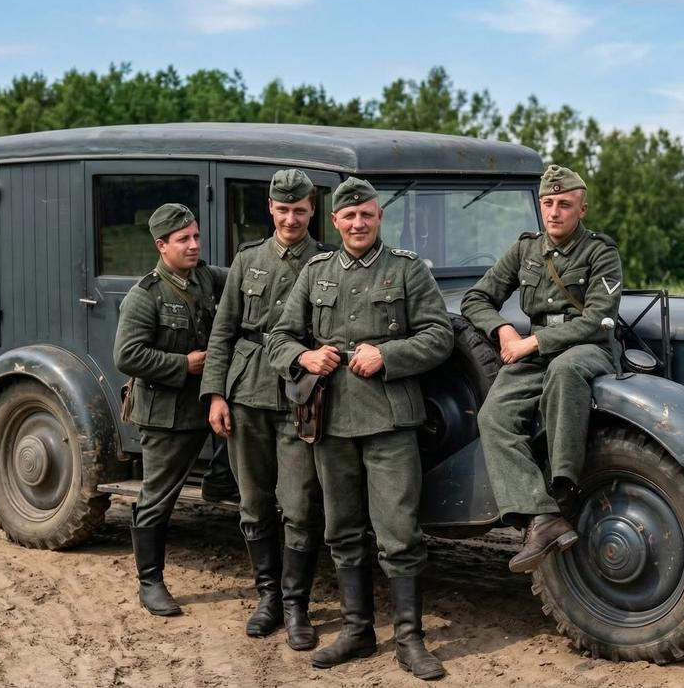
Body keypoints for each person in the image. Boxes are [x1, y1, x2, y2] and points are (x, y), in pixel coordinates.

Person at [267, 177, 453, 680]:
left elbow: (439, 336)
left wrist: (387, 354)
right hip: (331, 421)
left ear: (379, 217)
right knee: (343, 530)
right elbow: (278, 337)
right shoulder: (316, 271)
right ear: (334, 221)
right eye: (348, 217)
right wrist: (304, 355)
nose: (357, 224)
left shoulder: (407, 270)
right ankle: (357, 630)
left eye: (366, 215)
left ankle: (410, 640)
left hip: (390, 419)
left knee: (398, 531)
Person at [459, 165, 623, 573]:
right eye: (547, 203)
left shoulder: (600, 253)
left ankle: (564, 487)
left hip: (588, 350)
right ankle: (541, 516)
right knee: (493, 417)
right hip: (532, 354)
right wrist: (501, 331)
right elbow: (476, 298)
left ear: (582, 209)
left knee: (565, 372)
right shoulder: (526, 250)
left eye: (564, 204)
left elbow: (598, 320)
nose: (554, 212)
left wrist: (533, 342)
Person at [200, 169, 332, 650]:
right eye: (283, 210)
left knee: (299, 505)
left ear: (312, 210)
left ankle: (297, 605)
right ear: (271, 210)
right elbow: (223, 331)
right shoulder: (248, 260)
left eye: (300, 210)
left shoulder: (327, 260)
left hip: (302, 394)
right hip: (247, 392)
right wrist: (216, 394)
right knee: (253, 503)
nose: (292, 218)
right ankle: (268, 598)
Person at [114, 203, 227, 615]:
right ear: (163, 246)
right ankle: (150, 582)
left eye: (196, 236)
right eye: (184, 240)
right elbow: (127, 355)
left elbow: (248, 279)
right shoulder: (146, 296)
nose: (194, 245)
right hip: (167, 414)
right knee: (157, 497)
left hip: (208, 405)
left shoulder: (206, 279)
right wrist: (183, 364)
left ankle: (219, 481)